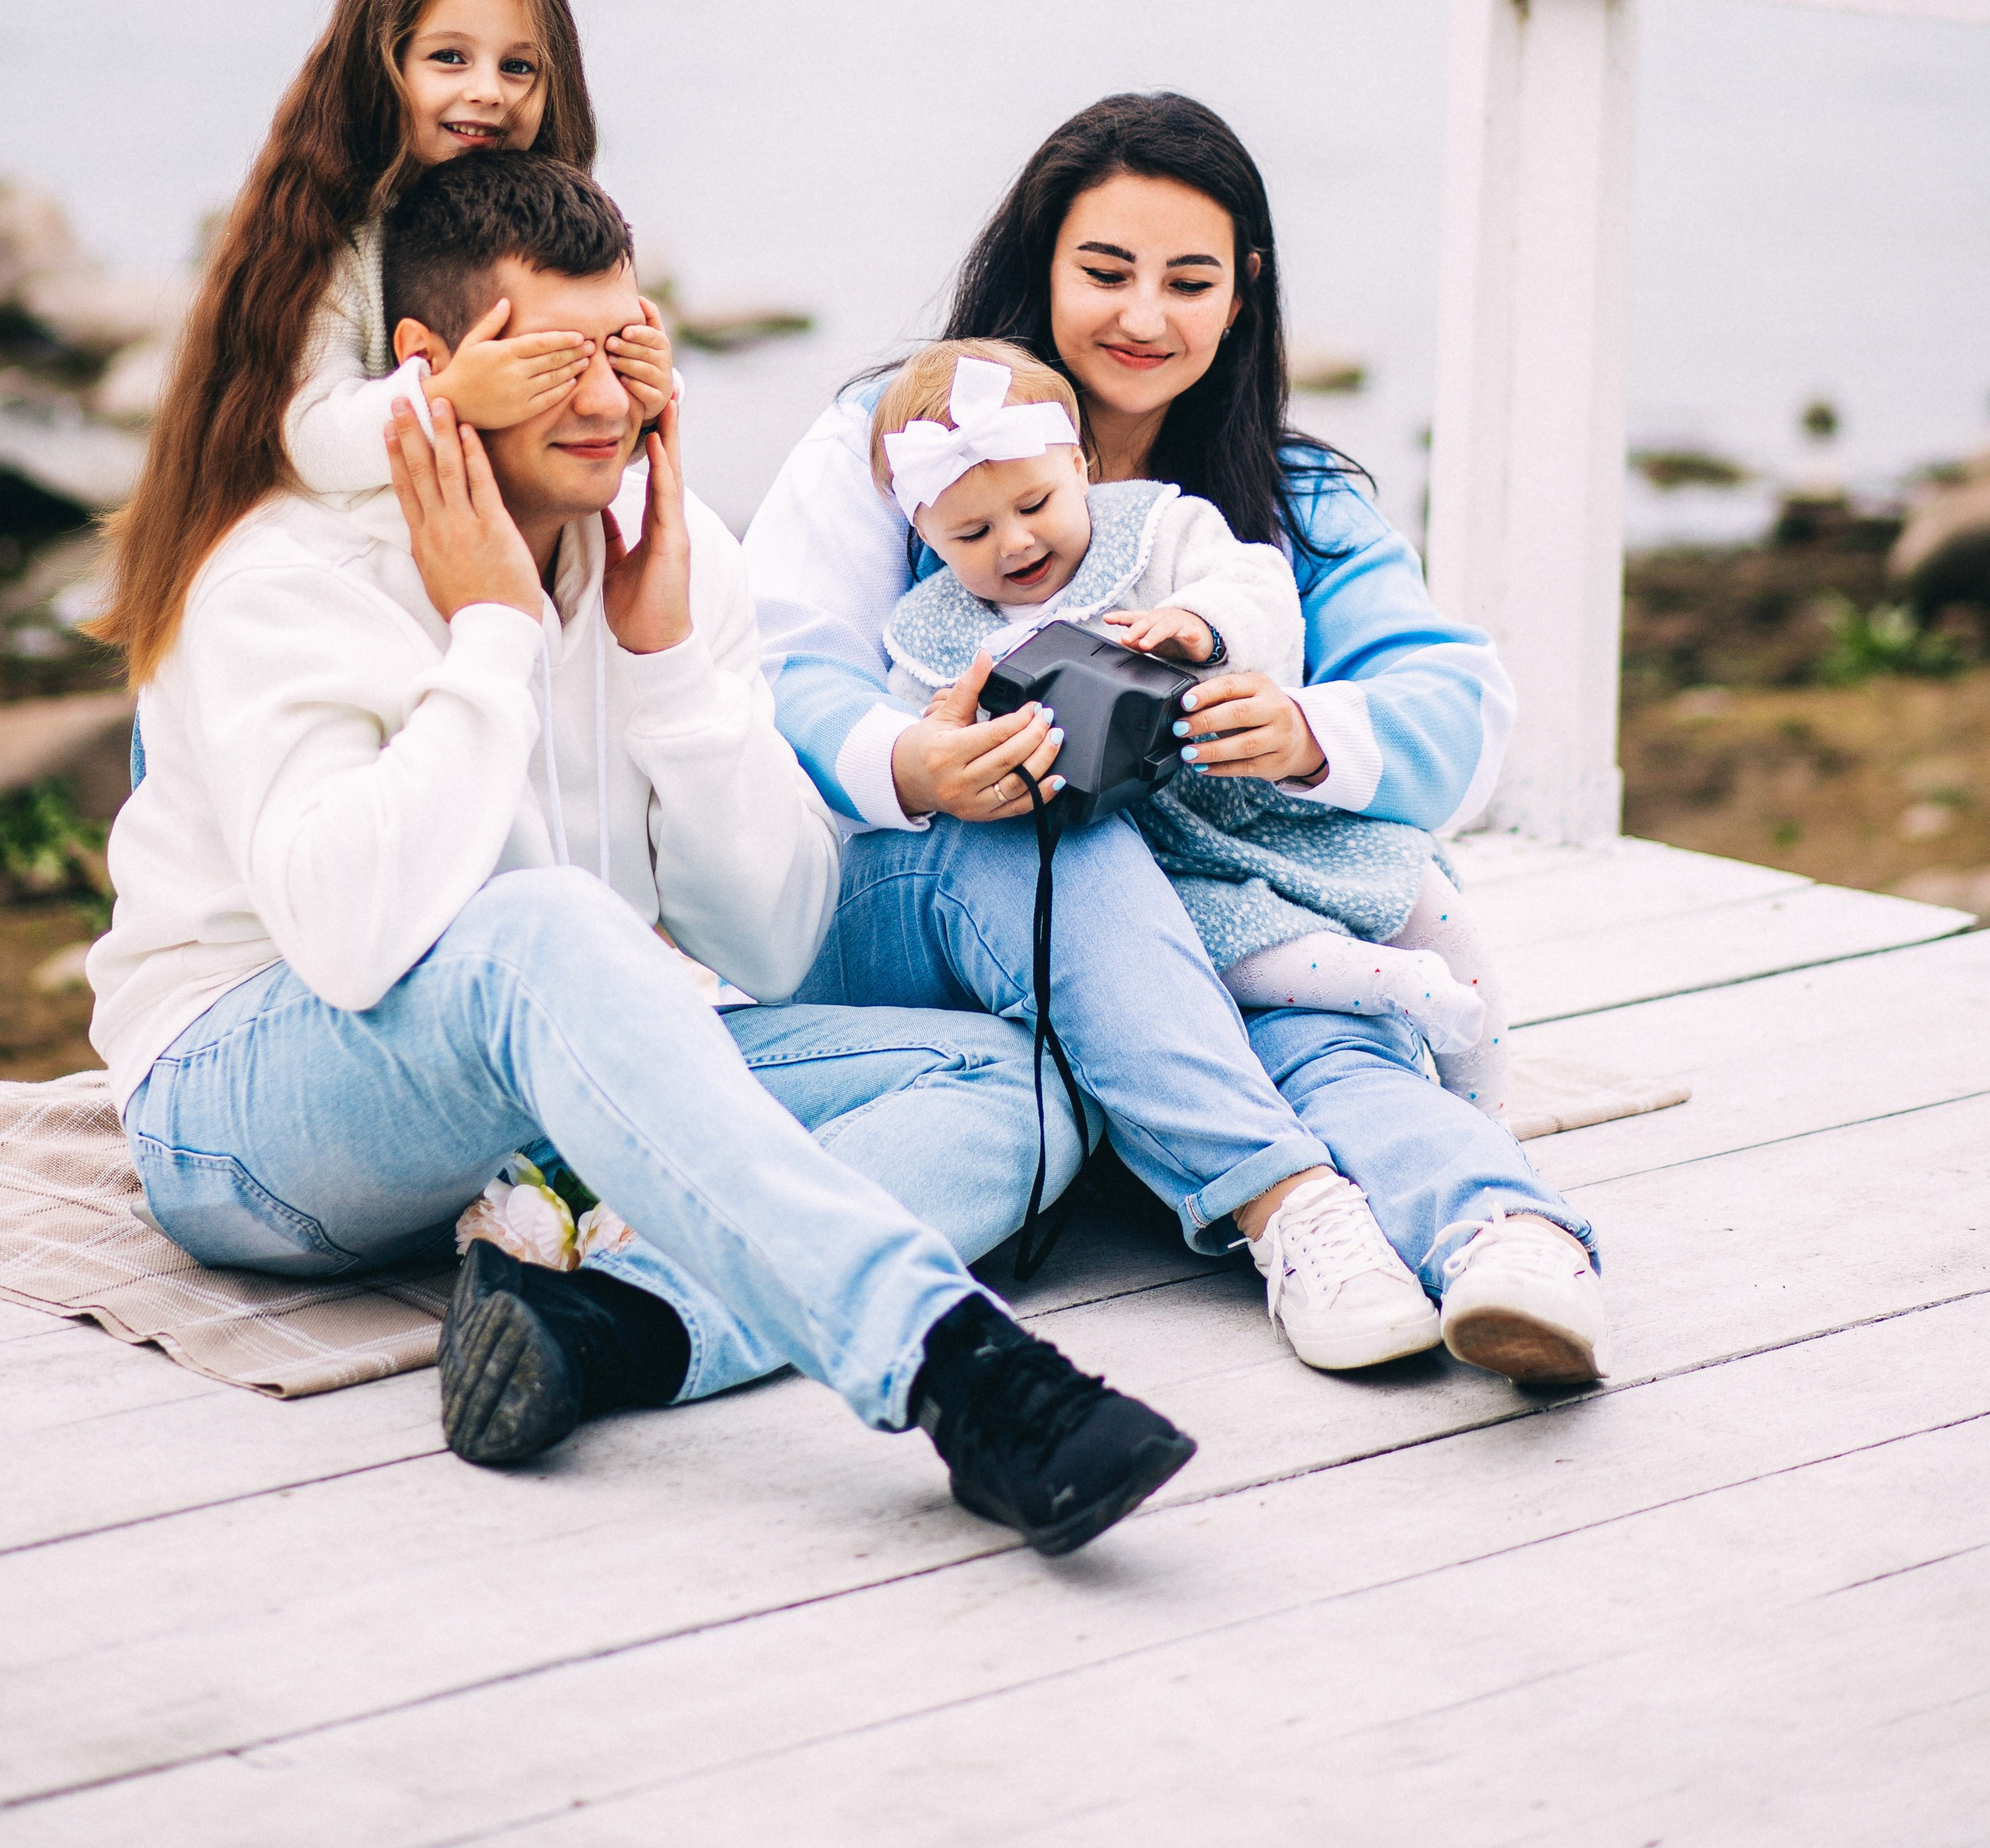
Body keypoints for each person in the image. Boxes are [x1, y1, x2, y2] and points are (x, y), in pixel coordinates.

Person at [85, 151, 1195, 1554]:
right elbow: (354, 941)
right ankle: (952, 1369)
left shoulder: (670, 556)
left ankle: (613, 1323)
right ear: (430, 367)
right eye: (556, 363)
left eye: (625, 349)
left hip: (540, 1083)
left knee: (1023, 1095)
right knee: (548, 929)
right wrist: (490, 634)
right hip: (247, 1107)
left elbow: (776, 944)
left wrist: (663, 661)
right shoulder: (283, 574)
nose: (609, 404)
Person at [745, 93, 1608, 1389]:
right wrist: (915, 762)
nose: (1142, 317)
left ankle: (1510, 1231)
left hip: (1184, 936)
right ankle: (1290, 1212)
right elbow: (772, 673)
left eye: (1188, 280)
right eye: (1104, 271)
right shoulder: (911, 439)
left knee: (1319, 1034)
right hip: (915, 897)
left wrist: (1306, 730)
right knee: (1067, 834)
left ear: (1242, 295)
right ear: (1040, 263)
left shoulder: (1280, 499)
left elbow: (1456, 702)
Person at [870, 340, 1504, 1106]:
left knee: (1425, 898)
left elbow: (1261, 585)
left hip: (1250, 790)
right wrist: (947, 735)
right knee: (1213, 950)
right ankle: (1378, 983)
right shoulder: (935, 636)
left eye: (1034, 505)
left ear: (1078, 466)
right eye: (970, 535)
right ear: (926, 537)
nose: (1016, 541)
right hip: (1141, 856)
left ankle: (1487, 1104)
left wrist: (1199, 625)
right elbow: (921, 754)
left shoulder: (1158, 530)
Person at [89, 0, 676, 683]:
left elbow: (583, 428)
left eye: (518, 67)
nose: (488, 92)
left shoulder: (541, 228)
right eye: (449, 58)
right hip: (286, 635)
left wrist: (645, 381)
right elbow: (316, 436)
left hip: (432, 606)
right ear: (381, 69)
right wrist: (450, 395)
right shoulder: (323, 245)